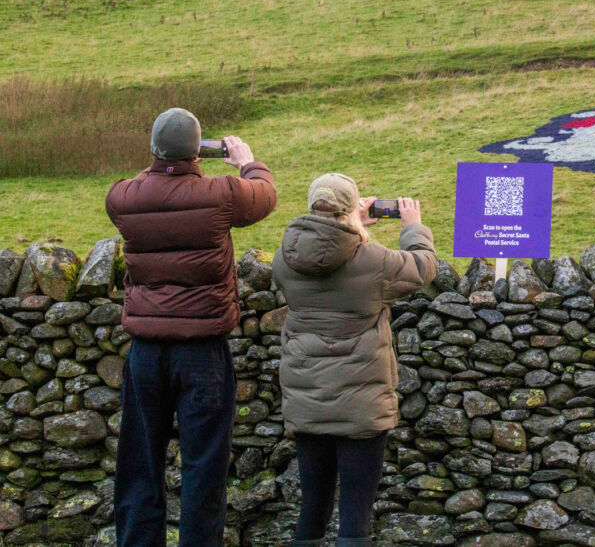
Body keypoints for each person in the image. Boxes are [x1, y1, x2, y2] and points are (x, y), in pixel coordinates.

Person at [105, 108, 277, 547]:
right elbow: (265, 195)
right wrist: (247, 161)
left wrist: (164, 162)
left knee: (139, 464)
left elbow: (155, 186)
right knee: (204, 466)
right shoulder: (220, 194)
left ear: (153, 149)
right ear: (198, 151)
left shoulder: (123, 197)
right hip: (203, 351)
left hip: (145, 351)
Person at [272, 175, 437, 547]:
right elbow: (424, 267)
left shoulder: (286, 258)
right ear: (352, 207)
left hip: (307, 401)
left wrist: (352, 225)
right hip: (362, 407)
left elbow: (327, 255)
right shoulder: (374, 261)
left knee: (312, 508)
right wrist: (413, 227)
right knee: (355, 515)